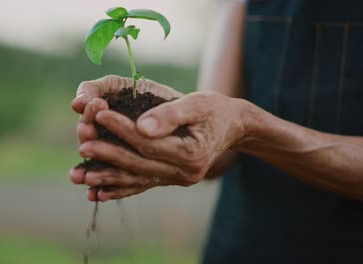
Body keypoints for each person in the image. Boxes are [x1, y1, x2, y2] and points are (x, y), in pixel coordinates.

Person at [70, 0, 363, 263]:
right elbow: (218, 153)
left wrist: (248, 126)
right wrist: (179, 128)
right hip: (241, 243)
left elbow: (237, 126)